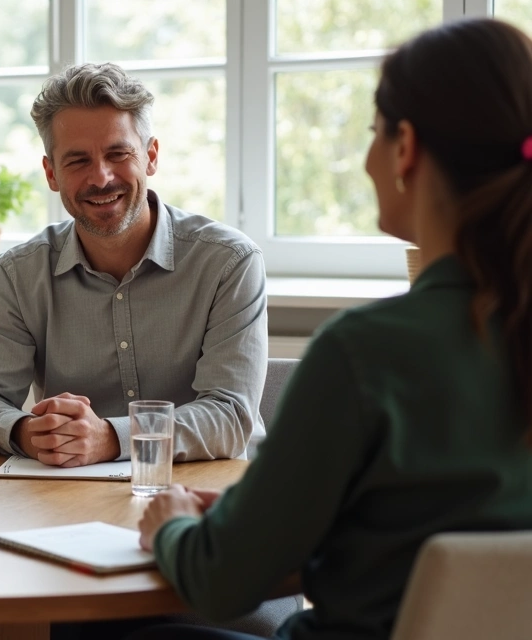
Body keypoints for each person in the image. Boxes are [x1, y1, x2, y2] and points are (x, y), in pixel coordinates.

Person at [135, 17, 532, 640]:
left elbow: (219, 583)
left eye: (374, 133)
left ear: (406, 147)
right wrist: (258, 519)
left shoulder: (365, 354)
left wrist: (173, 525)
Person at [0, 62, 268, 468]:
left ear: (150, 156)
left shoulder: (228, 263)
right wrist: (26, 432)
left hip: (211, 496)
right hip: (75, 501)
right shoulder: (19, 273)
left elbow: (230, 416)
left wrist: (111, 438)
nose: (101, 178)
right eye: (77, 161)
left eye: (118, 154)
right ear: (51, 174)